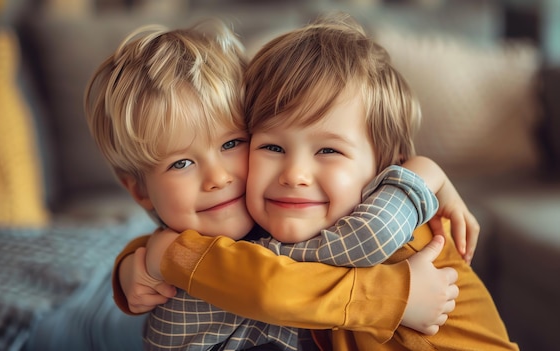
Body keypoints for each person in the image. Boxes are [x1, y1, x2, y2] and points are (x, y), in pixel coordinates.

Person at [143, 13, 518, 350]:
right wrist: (138, 260)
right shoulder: (291, 232)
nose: (294, 175)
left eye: (328, 151)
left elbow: (268, 281)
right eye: (272, 146)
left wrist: (168, 255)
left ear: (383, 169)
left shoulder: (395, 230)